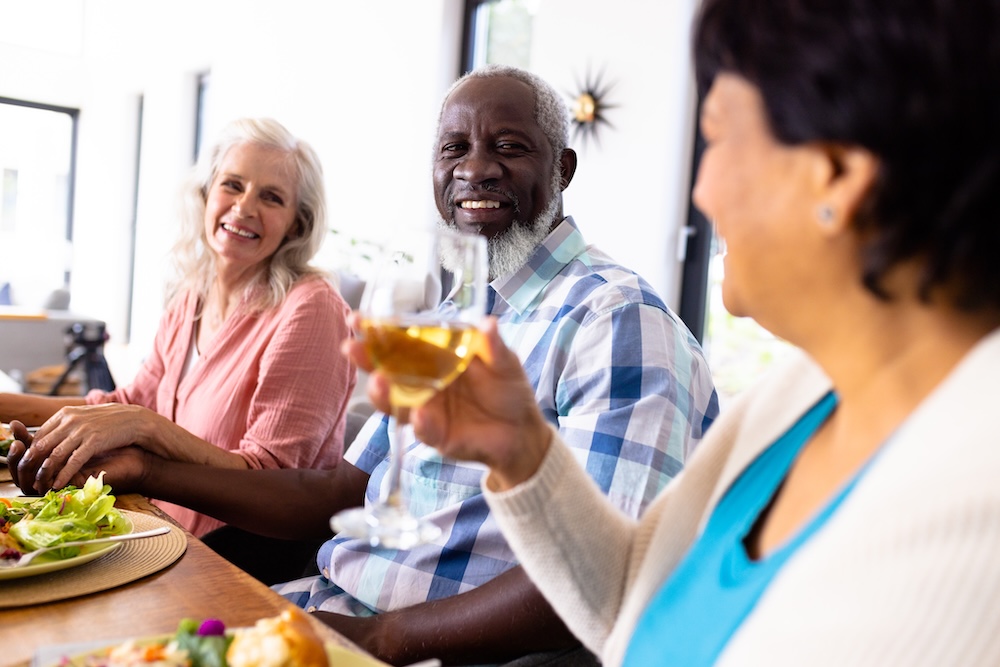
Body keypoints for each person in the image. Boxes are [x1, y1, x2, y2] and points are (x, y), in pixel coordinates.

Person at [329, 2, 1000, 666]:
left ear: (838, 174)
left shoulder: (972, 498)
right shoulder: (797, 395)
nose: (702, 190)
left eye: (720, 139)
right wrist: (525, 453)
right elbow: (628, 598)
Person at [9, 65, 719, 665]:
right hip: (316, 604)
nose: (475, 167)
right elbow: (341, 491)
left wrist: (381, 636)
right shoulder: (446, 323)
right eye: (454, 148)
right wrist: (145, 468)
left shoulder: (616, 318)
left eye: (508, 146)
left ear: (562, 167)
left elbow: (613, 576)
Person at [4, 117, 356, 538]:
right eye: (232, 185)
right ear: (206, 195)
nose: (244, 207)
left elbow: (272, 483)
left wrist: (144, 424)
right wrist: (5, 406)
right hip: (154, 529)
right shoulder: (192, 293)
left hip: (229, 558)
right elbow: (126, 402)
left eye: (271, 197)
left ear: (296, 224)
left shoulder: (312, 307)